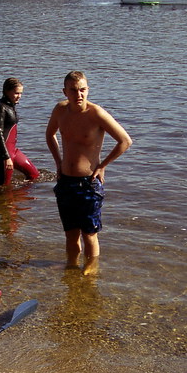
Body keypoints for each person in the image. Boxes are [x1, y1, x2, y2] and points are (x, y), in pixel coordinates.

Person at [46, 70, 132, 275]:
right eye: (74, 90)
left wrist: (102, 166)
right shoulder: (60, 110)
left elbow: (125, 141)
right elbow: (50, 135)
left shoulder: (96, 114)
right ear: (65, 91)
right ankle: (72, 266)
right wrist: (58, 162)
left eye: (83, 90)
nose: (79, 95)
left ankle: (91, 269)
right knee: (70, 234)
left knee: (89, 234)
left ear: (88, 90)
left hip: (88, 183)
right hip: (65, 182)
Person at [0, 77, 39, 186]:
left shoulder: (10, 106)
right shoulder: (0, 108)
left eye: (21, 93)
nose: (19, 96)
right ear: (7, 91)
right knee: (3, 187)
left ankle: (17, 199)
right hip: (2, 153)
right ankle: (5, 201)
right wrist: (6, 157)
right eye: (16, 93)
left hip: (13, 151)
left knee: (34, 175)